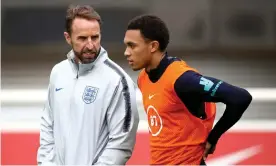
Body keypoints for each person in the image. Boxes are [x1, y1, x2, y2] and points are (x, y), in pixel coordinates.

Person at [123, 15, 252, 165]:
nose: (126, 52)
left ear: (153, 46)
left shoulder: (183, 79)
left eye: (132, 46)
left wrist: (213, 137)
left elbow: (240, 97)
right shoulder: (143, 78)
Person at [37, 5, 139, 165]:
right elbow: (48, 125)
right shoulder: (58, 72)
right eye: (82, 38)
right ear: (68, 37)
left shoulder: (118, 81)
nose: (91, 45)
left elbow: (121, 144)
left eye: (95, 37)